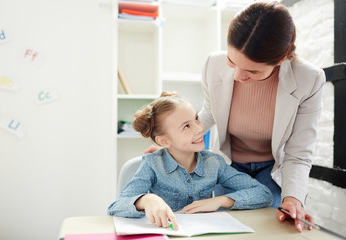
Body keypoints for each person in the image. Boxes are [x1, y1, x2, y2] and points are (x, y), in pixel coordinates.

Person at [145, 1, 325, 233]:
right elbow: (209, 113)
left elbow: (298, 154)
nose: (238, 75)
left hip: (274, 169)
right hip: (230, 165)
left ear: (280, 60)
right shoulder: (213, 64)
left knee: (271, 231)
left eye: (253, 71)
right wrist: (174, 141)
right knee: (228, 231)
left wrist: (293, 198)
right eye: (232, 61)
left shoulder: (309, 80)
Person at [108, 92, 273, 230]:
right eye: (186, 126)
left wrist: (220, 201)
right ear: (164, 141)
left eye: (196, 119)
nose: (199, 129)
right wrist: (147, 200)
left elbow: (264, 194)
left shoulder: (214, 163)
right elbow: (116, 206)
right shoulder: (152, 164)